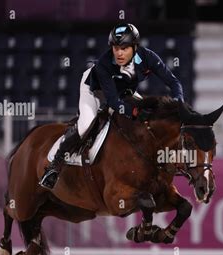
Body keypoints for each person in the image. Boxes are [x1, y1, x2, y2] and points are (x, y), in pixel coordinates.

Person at [39, 23, 184, 189]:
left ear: (135, 47)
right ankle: (54, 167)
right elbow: (114, 102)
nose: (119, 53)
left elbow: (173, 82)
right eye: (116, 48)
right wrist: (134, 111)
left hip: (124, 91)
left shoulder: (148, 57)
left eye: (124, 48)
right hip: (95, 89)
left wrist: (178, 102)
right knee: (86, 124)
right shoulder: (104, 64)